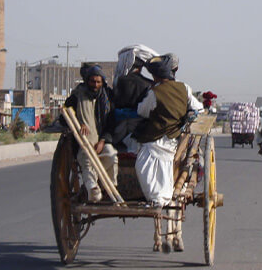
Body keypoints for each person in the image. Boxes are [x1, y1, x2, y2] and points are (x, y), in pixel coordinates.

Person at [134, 54, 203, 207]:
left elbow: (142, 111)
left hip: (155, 138)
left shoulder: (154, 92)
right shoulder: (184, 87)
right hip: (175, 138)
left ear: (154, 76)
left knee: (142, 164)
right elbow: (199, 108)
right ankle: (163, 196)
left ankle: (158, 197)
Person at [64, 64, 118, 202]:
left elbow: (111, 123)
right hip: (86, 143)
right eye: (92, 81)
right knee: (87, 160)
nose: (95, 85)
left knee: (111, 155)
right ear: (87, 81)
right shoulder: (77, 96)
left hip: (102, 140)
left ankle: (109, 188)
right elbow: (64, 115)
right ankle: (93, 190)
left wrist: (103, 141)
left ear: (102, 82)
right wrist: (78, 122)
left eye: (98, 82)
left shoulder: (107, 97)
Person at [112, 45, 158, 146]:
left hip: (118, 128)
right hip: (138, 128)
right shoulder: (149, 84)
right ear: (141, 67)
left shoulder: (118, 82)